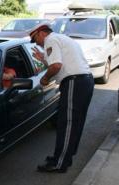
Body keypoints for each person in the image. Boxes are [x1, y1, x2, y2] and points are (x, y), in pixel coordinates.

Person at [28, 23, 94, 173]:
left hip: (74, 82)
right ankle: (64, 157)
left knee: (67, 123)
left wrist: (44, 79)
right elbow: (58, 63)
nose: (37, 43)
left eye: (35, 39)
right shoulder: (62, 38)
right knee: (75, 123)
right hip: (84, 82)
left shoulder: (51, 40)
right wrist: (43, 59)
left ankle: (59, 163)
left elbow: (56, 66)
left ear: (41, 33)